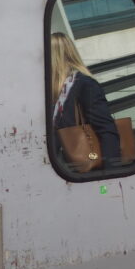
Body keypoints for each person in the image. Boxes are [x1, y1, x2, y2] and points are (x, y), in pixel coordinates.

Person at [50, 32, 121, 168]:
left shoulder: (84, 84)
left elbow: (106, 130)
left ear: (54, 57)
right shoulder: (52, 89)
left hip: (76, 170)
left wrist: (111, 175)